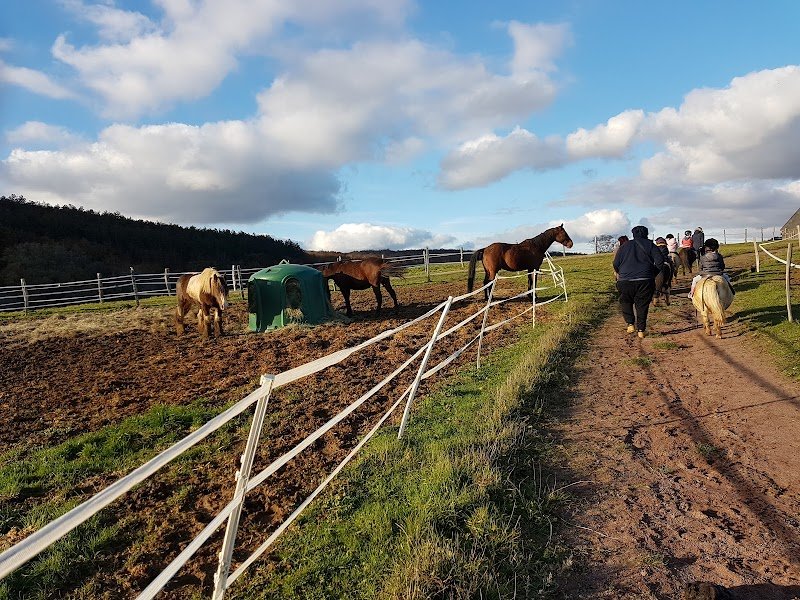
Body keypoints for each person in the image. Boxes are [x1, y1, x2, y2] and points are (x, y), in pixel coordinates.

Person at [613, 225, 664, 338]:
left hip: (624, 280)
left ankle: (630, 324)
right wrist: (652, 273)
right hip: (645, 280)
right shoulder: (650, 245)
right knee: (642, 305)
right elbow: (660, 262)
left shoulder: (624, 246)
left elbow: (615, 264)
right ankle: (641, 330)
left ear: (633, 234)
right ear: (646, 234)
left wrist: (621, 274)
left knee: (625, 302)